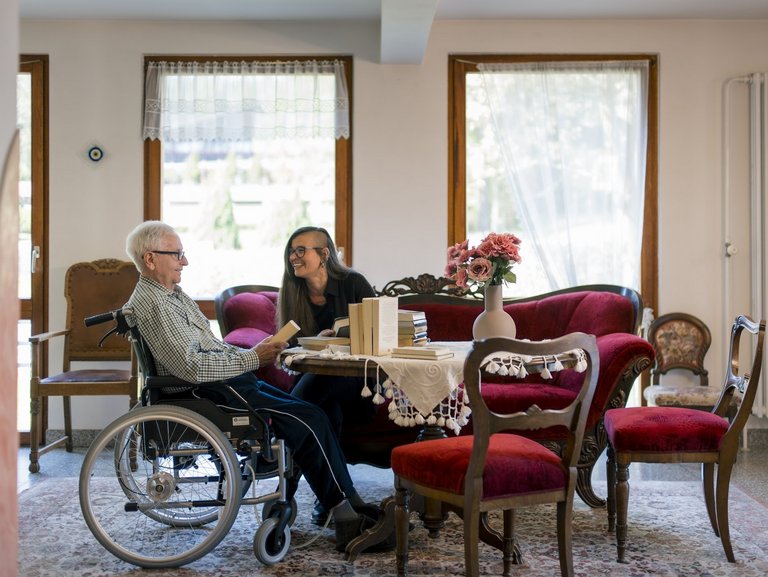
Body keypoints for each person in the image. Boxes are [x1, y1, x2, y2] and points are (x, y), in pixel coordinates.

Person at [124, 220, 383, 552]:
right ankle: (346, 512)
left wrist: (250, 354)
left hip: (224, 385)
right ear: (149, 259)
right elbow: (192, 366)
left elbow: (209, 348)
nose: (184, 261)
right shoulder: (156, 304)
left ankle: (344, 504)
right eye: (177, 254)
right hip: (210, 392)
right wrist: (253, 358)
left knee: (311, 412)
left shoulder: (170, 296)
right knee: (310, 418)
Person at [277, 226, 377, 525]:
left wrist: (339, 342)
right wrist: (314, 343)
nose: (293, 257)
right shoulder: (292, 292)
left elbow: (378, 337)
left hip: (358, 386)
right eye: (291, 251)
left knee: (304, 405)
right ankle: (339, 502)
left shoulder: (354, 283)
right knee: (321, 411)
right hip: (316, 387)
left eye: (300, 250)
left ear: (323, 254)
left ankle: (285, 493)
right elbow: (289, 349)